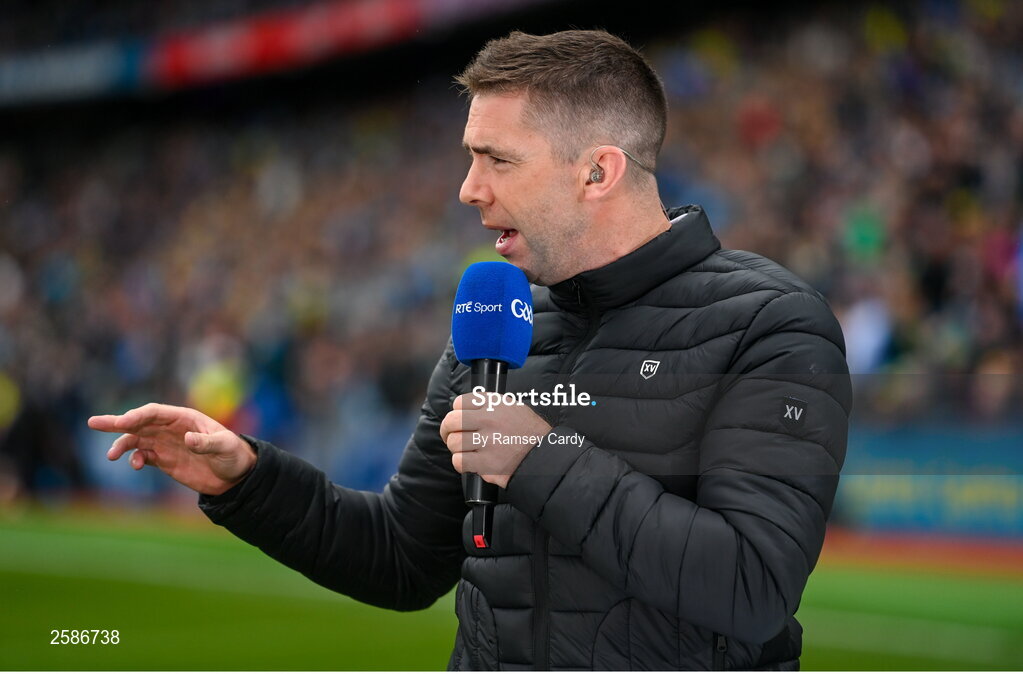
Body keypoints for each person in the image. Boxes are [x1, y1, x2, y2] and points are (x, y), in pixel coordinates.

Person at [89, 29, 851, 670]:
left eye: (496, 159)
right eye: (467, 156)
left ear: (597, 170)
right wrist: (247, 480)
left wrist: (535, 457)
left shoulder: (769, 322)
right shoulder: (495, 323)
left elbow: (752, 588)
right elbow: (399, 555)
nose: (467, 189)